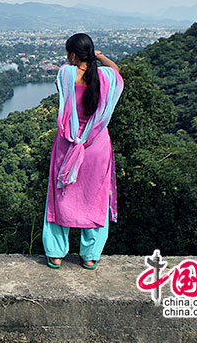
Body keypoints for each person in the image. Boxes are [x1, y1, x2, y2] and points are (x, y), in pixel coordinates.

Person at [43, 33, 123, 270]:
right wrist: (101, 58)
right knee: (95, 198)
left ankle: (56, 253)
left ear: (73, 55)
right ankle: (89, 255)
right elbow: (116, 70)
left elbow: (64, 78)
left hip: (68, 145)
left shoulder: (66, 74)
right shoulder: (108, 78)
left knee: (60, 195)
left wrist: (78, 61)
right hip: (97, 146)